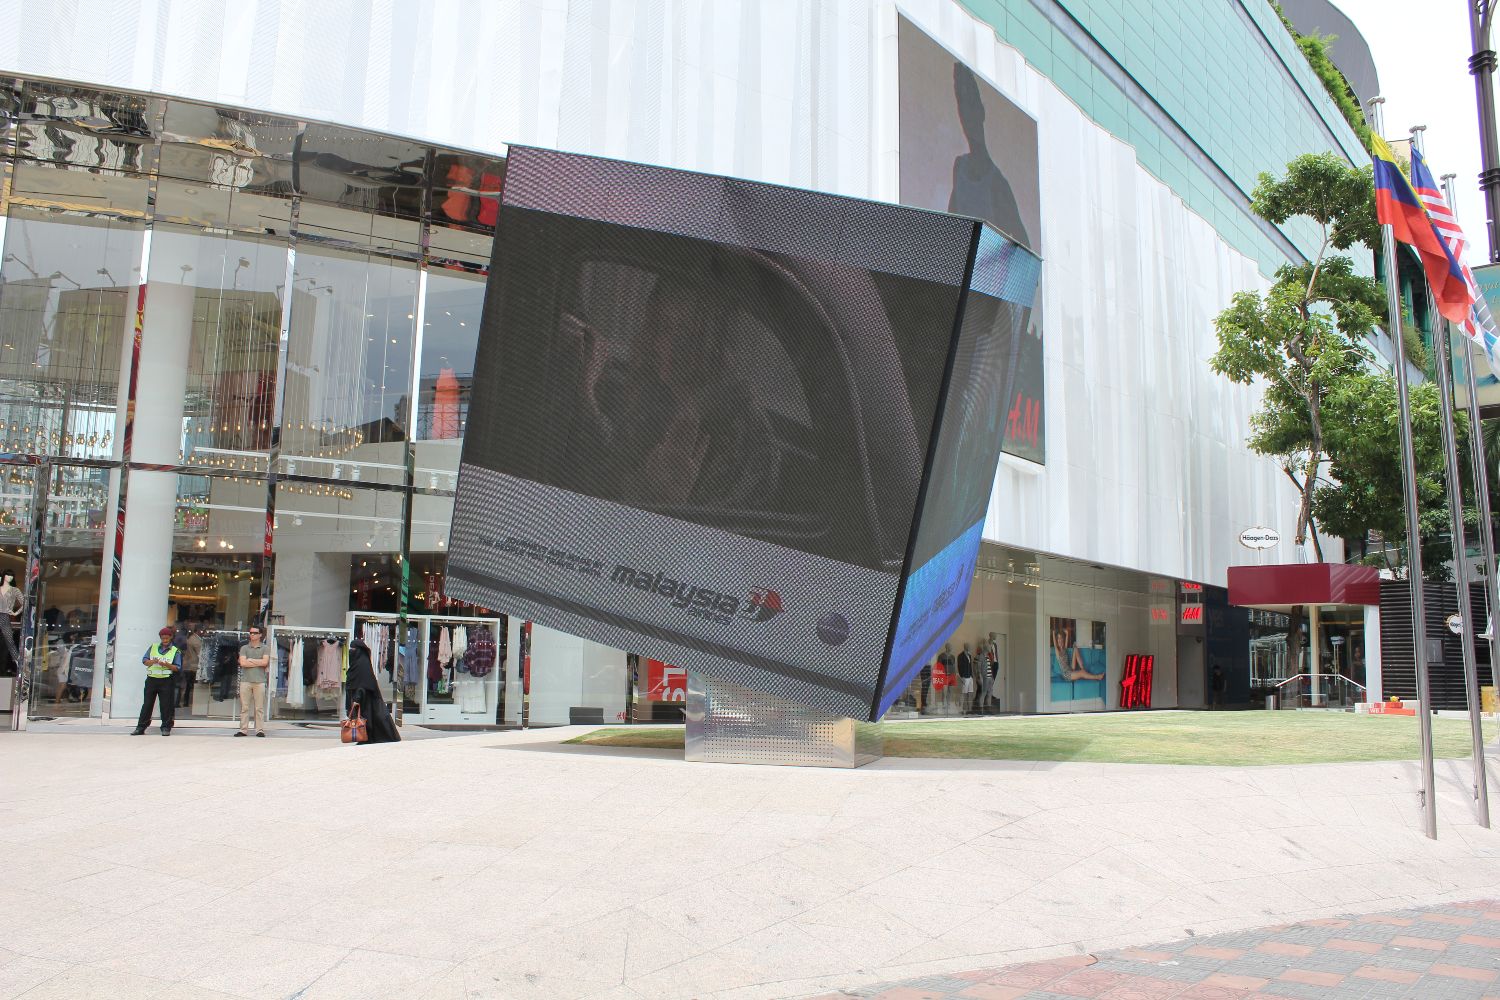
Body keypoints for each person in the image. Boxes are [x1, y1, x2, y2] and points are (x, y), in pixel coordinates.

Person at [344, 638, 400, 744]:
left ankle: (367, 738)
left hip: (364, 698)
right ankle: (366, 738)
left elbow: (364, 683)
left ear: (359, 651)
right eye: (350, 648)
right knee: (363, 718)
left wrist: (357, 697)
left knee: (366, 717)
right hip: (358, 697)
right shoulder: (356, 665)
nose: (351, 651)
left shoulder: (362, 665)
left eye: (353, 649)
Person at [133, 626, 181, 736]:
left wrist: (167, 665)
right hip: (152, 679)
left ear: (171, 637)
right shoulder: (153, 647)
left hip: (166, 680)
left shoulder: (175, 651)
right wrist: (153, 661)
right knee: (147, 704)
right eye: (163, 638)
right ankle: (141, 727)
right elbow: (144, 661)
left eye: (167, 638)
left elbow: (177, 667)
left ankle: (166, 727)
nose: (165, 640)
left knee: (166, 705)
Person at [236, 624, 271, 737]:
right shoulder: (244, 648)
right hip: (245, 680)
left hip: (260, 681)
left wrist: (250, 660)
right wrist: (257, 662)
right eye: (251, 633)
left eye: (255, 633)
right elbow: (242, 663)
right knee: (244, 707)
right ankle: (243, 729)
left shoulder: (265, 648)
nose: (252, 635)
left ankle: (259, 730)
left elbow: (265, 662)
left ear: (260, 635)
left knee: (259, 707)